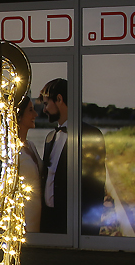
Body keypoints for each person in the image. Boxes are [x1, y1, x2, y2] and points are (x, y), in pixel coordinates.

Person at [39, 78, 107, 236]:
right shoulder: (50, 137)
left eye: (46, 104)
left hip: (75, 226)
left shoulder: (90, 135)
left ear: (59, 99)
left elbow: (96, 187)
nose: (44, 110)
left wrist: (88, 232)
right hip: (50, 223)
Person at [16, 96, 42, 233]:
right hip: (23, 221)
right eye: (30, 110)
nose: (35, 114)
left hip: (39, 218)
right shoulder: (12, 151)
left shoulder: (30, 146)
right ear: (19, 116)